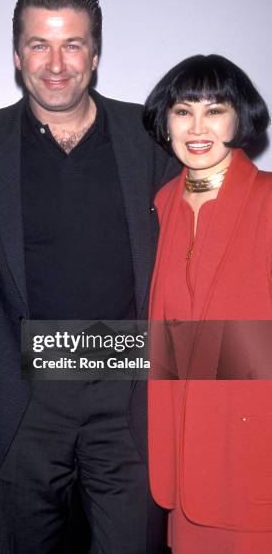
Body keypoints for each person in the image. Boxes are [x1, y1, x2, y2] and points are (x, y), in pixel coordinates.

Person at [0, 0, 179, 554]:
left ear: (96, 54)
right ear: (15, 55)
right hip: (23, 405)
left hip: (129, 401)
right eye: (39, 44)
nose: (56, 64)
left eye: (72, 45)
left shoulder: (153, 139)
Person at [143, 54, 272, 553]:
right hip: (184, 466)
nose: (197, 127)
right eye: (182, 111)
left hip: (254, 457)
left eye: (214, 110)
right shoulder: (164, 204)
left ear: (239, 119)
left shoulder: (266, 199)